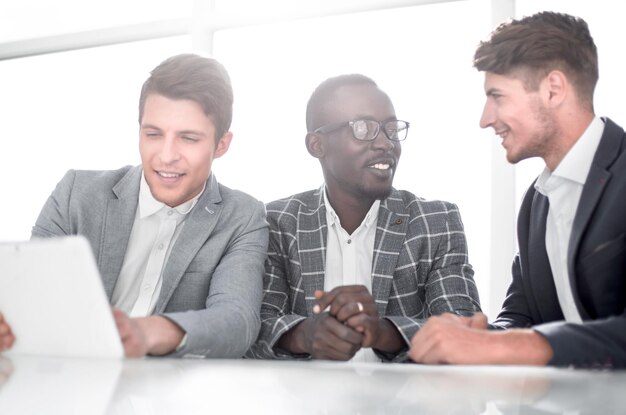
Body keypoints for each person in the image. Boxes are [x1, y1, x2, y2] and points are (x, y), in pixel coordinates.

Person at [0, 54, 269, 358]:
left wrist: (150, 331)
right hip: (68, 376)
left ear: (221, 144)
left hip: (165, 395)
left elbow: (238, 320)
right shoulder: (76, 193)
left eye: (188, 138)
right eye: (153, 134)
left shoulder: (242, 216)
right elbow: (26, 293)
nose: (166, 156)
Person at [409, 12, 626, 368]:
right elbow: (521, 317)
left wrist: (507, 347)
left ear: (553, 89)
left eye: (497, 96)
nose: (485, 118)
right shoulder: (535, 203)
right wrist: (482, 336)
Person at [247, 74, 480, 362]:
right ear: (316, 145)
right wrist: (305, 335)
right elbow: (251, 330)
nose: (386, 143)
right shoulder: (279, 222)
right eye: (364, 128)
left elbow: (466, 332)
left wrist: (383, 332)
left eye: (391, 129)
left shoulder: (436, 222)